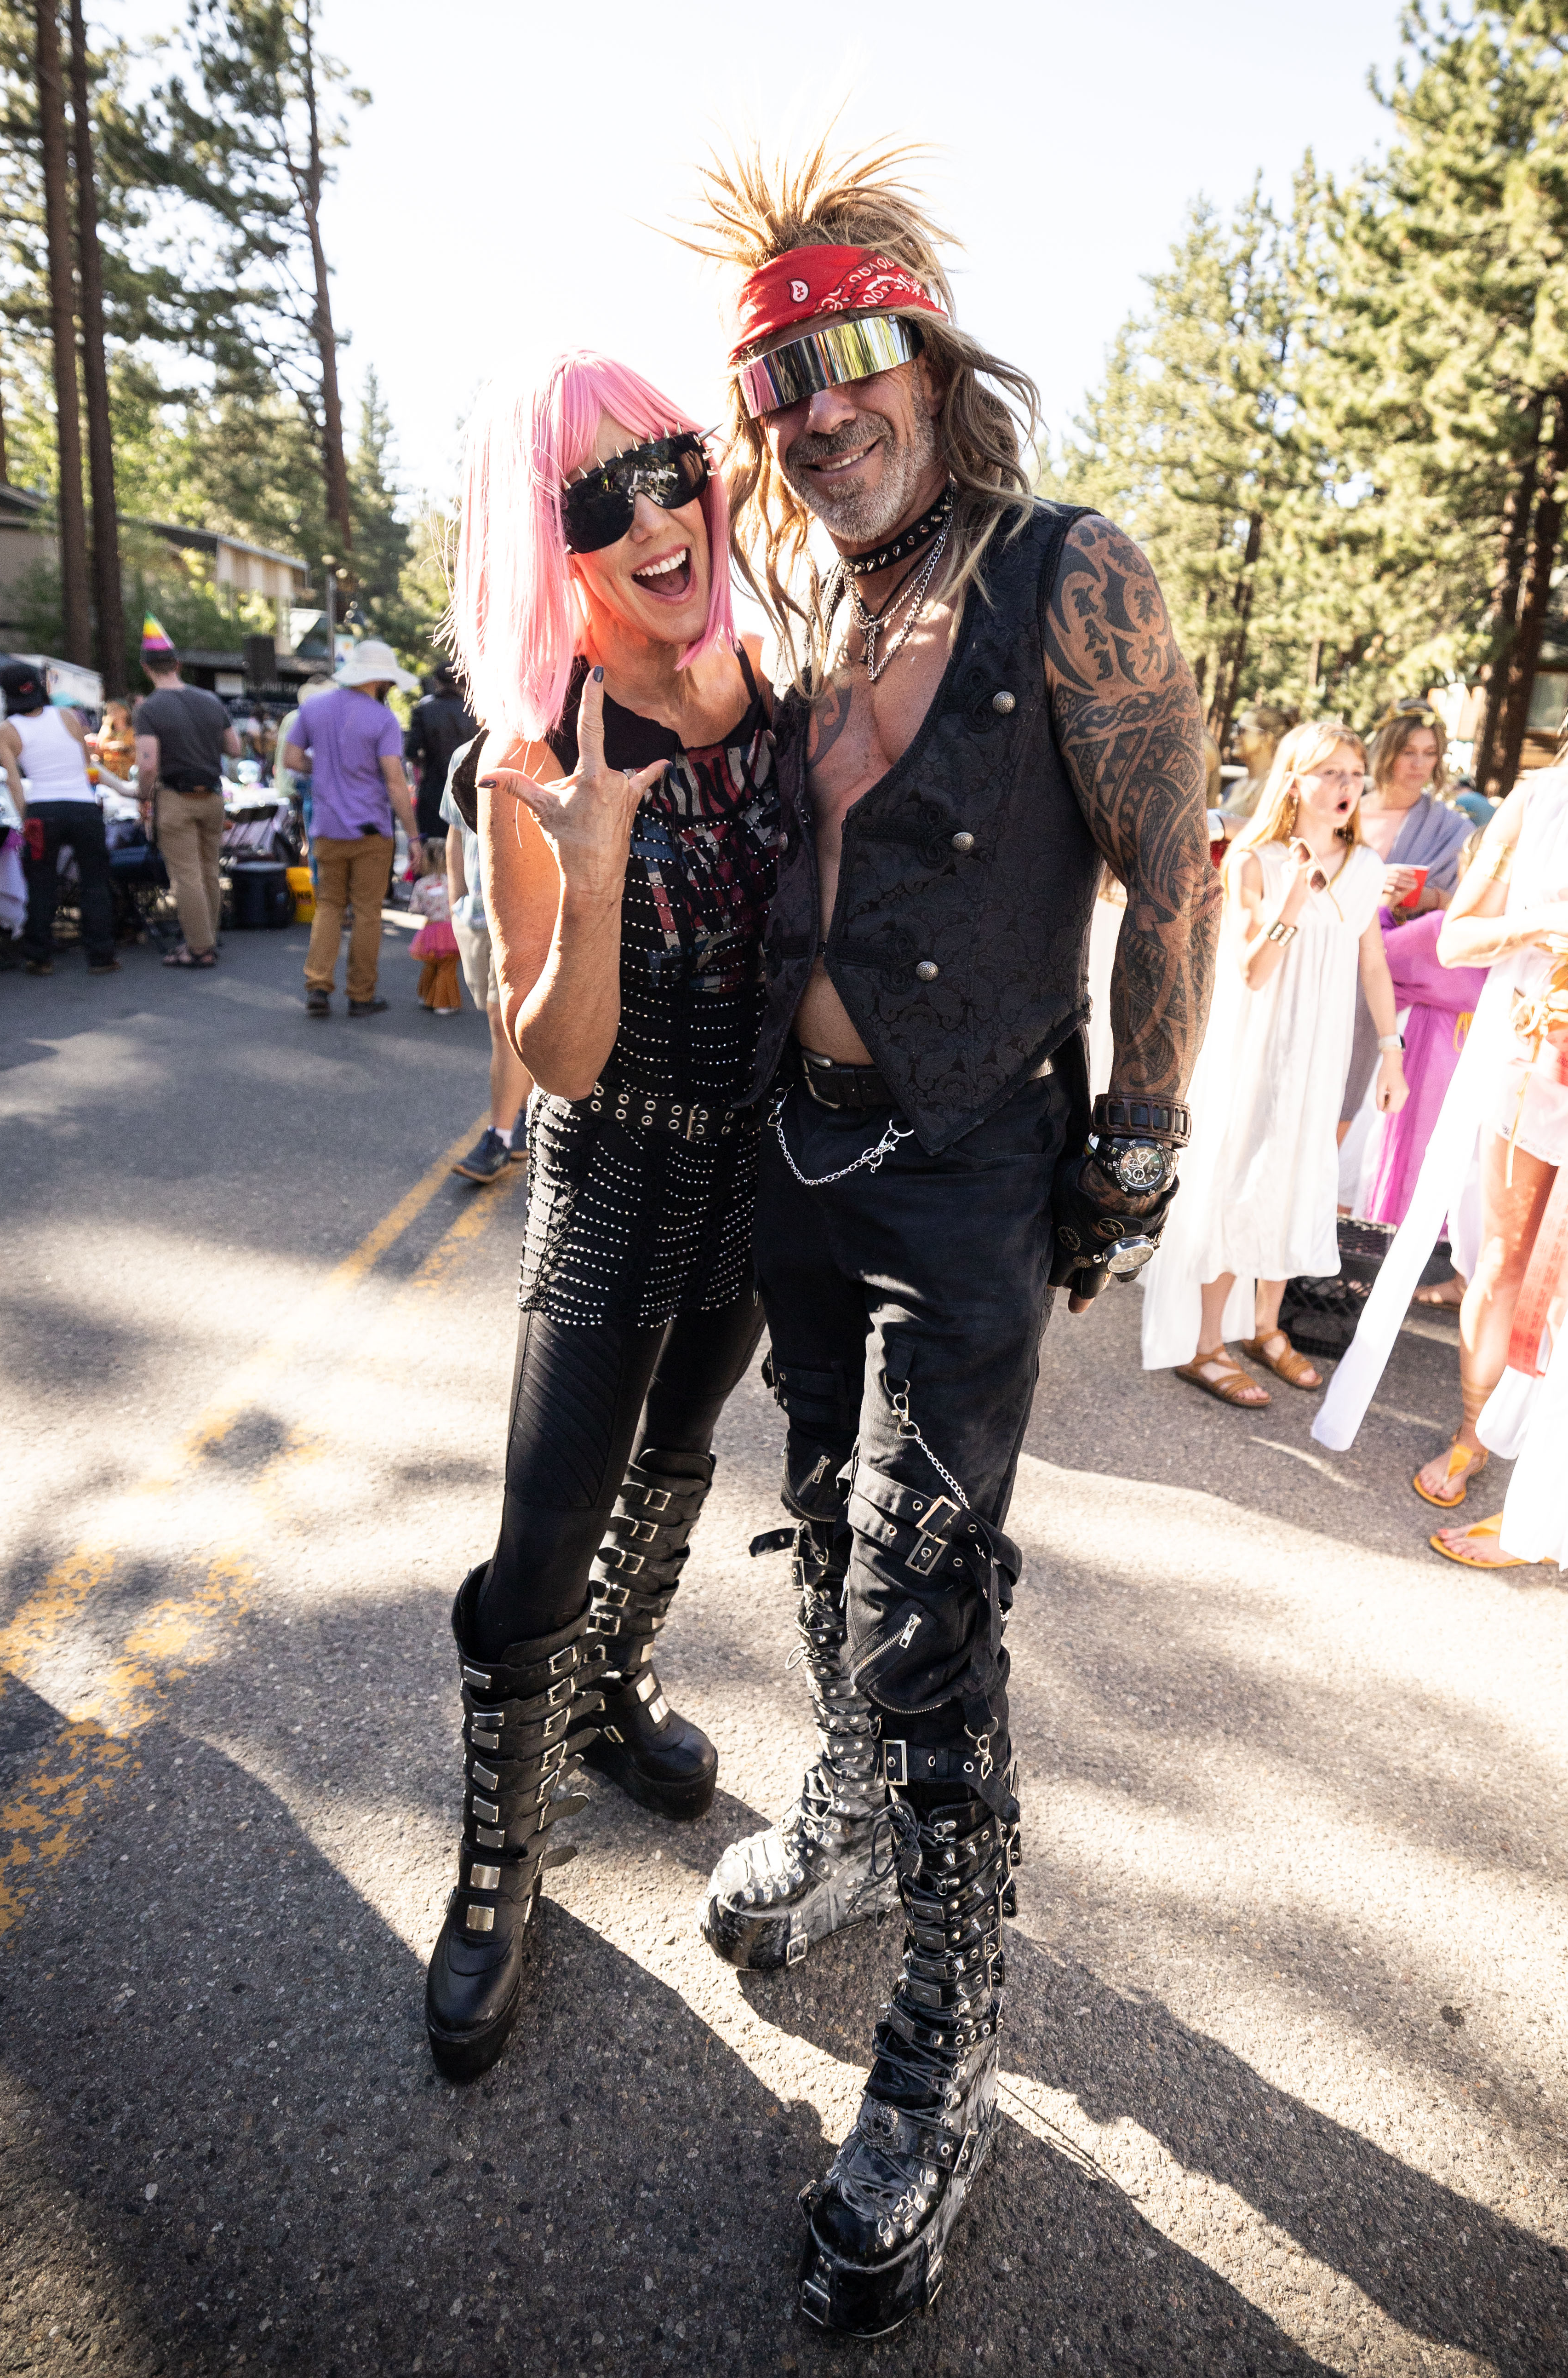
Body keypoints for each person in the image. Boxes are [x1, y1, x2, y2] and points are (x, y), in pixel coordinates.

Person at [687, 136, 1219, 2336]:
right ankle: (850, 1807)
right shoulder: (809, 595)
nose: (810, 412)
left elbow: (1168, 880)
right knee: (827, 1524)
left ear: (917, 339)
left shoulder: (1070, 572)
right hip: (789, 1161)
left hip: (974, 1164)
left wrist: (1143, 1140)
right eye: (769, 385)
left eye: (834, 355)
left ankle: (941, 2045)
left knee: (928, 1586)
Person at [422, 350, 780, 2085]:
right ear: (549, 550)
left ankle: (618, 1685)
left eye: (671, 467)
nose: (655, 513)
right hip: (619, 1174)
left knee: (683, 1458)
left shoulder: (769, 687)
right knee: (545, 1529)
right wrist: (596, 855)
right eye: (599, 497)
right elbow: (554, 1060)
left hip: (749, 1183)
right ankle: (499, 1861)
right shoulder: (536, 753)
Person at [1315, 762, 1568, 1569]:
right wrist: (1538, 926)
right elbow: (1459, 935)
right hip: (1535, 1060)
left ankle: (1544, 1505)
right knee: (1503, 1265)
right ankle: (1471, 1435)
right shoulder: (1534, 802)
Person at [1140, 722, 1407, 1404]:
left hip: (1320, 1053)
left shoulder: (1364, 866)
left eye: (1354, 774)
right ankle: (1204, 1345)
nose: (1348, 786)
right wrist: (1291, 899)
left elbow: (1371, 961)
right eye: (1331, 773)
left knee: (1297, 1177)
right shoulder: (1253, 859)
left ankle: (1264, 1328)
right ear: (1294, 780)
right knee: (1243, 1179)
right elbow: (1252, 970)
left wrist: (1389, 1051)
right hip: (1256, 1048)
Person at [1338, 706, 1472, 1133]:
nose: (1418, 764)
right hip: (1328, 955)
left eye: (1429, 753)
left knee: (1354, 1099)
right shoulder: (1348, 810)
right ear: (1387, 752)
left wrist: (1428, 896)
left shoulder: (1450, 829)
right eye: (1408, 752)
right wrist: (1369, 885)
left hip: (1390, 982)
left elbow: (1465, 908)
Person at [284, 639, 423, 1019]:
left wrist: (325, 771)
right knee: (367, 912)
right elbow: (395, 782)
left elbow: (292, 758)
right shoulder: (383, 719)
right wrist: (413, 837)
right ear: (381, 679)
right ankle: (361, 995)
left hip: (326, 827)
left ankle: (317, 985)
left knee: (328, 907)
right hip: (370, 829)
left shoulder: (313, 707)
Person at [1362, 835, 1488, 1233]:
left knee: (1418, 1153)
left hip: (1434, 1052)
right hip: (1477, 1056)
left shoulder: (1441, 932)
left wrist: (1381, 908)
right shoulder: (1523, 938)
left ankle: (1397, 1250)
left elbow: (1377, 960)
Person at [440, 739, 531, 1182]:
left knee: (507, 1024)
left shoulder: (548, 746)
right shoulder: (467, 754)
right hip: (477, 913)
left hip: (527, 914)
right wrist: (457, 899)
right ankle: (523, 1119)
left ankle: (500, 1132)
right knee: (503, 1024)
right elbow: (456, 832)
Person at [0, 661, 122, 977]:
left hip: (43, 810)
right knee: (95, 882)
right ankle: (101, 955)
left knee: (41, 884)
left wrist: (27, 817)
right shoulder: (69, 716)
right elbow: (88, 766)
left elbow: (12, 781)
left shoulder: (6, 731)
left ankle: (40, 956)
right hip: (82, 807)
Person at [132, 617, 241, 972]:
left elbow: (148, 765)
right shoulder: (210, 700)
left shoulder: (148, 709)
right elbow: (235, 747)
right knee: (210, 870)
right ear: (178, 665)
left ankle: (199, 948)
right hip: (212, 796)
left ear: (146, 668)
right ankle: (208, 937)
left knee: (186, 875)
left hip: (176, 798)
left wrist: (143, 797)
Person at [404, 662, 475, 841]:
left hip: (433, 789)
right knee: (466, 845)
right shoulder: (476, 712)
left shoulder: (423, 711)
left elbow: (411, 751)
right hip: (471, 791)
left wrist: (426, 764)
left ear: (436, 682)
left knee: (433, 847)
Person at [407, 840, 461, 1012]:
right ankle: (442, 1003)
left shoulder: (421, 884)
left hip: (430, 929)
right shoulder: (454, 882)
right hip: (450, 930)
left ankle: (426, 996)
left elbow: (414, 909)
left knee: (431, 964)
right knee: (447, 967)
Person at [91, 699, 136, 783]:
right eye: (110, 709)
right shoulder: (106, 731)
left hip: (127, 777)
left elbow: (138, 755)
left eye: (116, 709)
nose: (112, 712)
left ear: (125, 712)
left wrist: (125, 748)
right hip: (109, 777)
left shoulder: (133, 732)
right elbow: (98, 752)